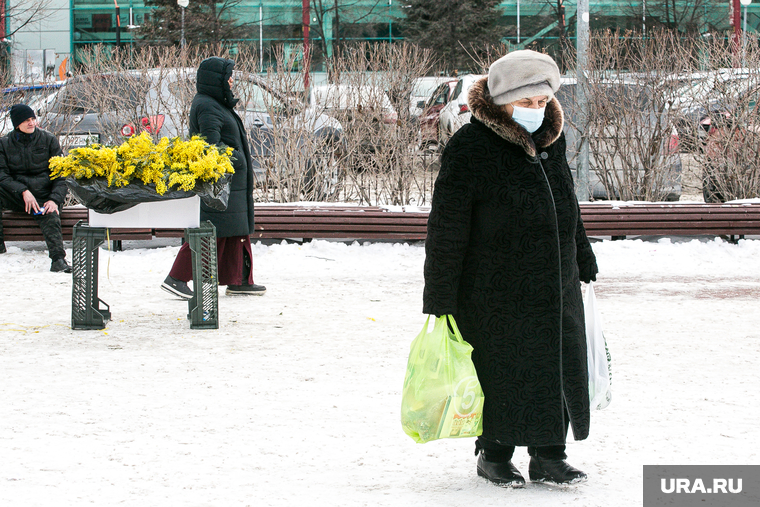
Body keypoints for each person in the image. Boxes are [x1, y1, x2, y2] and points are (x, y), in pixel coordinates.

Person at [422, 50, 599, 487]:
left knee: (556, 366)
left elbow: (567, 206)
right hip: (493, 288)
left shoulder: (550, 142)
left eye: (542, 102)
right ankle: (495, 454)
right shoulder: (470, 147)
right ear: (502, 101)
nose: (536, 112)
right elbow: (446, 225)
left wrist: (582, 255)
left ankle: (549, 454)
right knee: (501, 369)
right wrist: (440, 293)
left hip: (555, 283)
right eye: (527, 102)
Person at [161, 57, 266, 299]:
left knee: (235, 232)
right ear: (215, 79)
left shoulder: (217, 103)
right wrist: (239, 159)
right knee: (213, 234)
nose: (231, 80)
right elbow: (210, 146)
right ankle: (176, 277)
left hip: (231, 185)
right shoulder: (207, 106)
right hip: (221, 186)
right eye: (228, 75)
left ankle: (239, 280)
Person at [0, 104, 71, 272]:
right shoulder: (4, 144)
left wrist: (55, 199)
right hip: (18, 195)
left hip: (44, 195)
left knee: (50, 215)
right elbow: (2, 175)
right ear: (17, 124)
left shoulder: (48, 139)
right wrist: (23, 191)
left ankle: (58, 260)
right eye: (26, 120)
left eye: (33, 119)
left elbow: (61, 174)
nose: (31, 123)